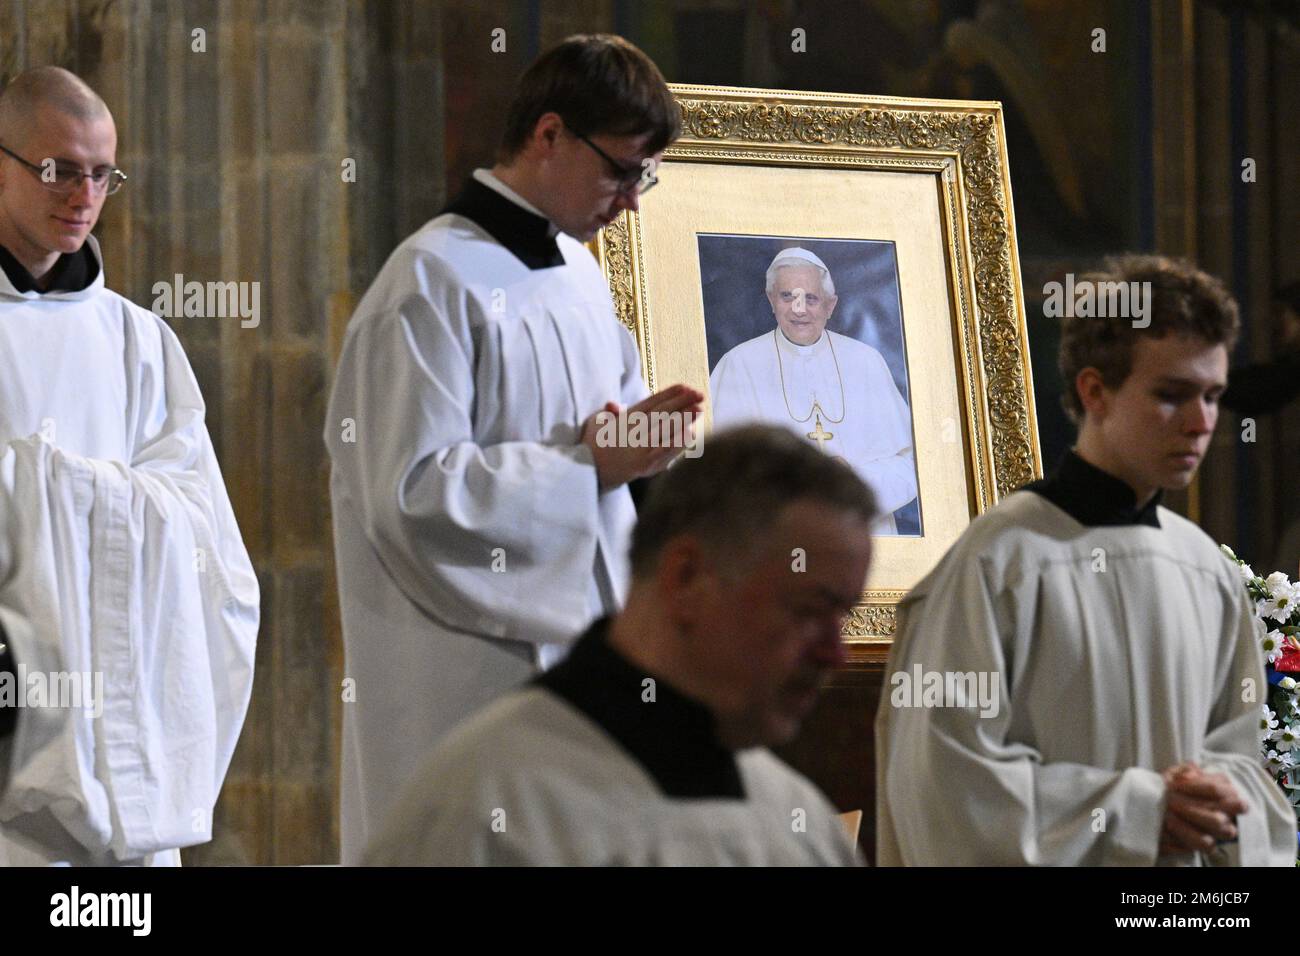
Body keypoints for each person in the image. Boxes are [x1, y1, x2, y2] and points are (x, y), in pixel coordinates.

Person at [324, 34, 703, 863]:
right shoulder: (425, 286)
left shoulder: (579, 275)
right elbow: (413, 497)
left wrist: (643, 450)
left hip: (585, 674)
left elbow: (609, 442)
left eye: (645, 175)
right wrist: (588, 470)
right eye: (622, 169)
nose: (632, 200)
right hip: (467, 679)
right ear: (549, 135)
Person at [876, 254, 1296, 866]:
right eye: (1172, 396)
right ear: (1094, 390)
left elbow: (1241, 762)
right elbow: (944, 791)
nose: (1201, 423)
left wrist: (1219, 800)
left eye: (1213, 396)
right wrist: (1140, 811)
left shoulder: (1205, 569)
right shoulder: (996, 565)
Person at [365, 426, 873, 865]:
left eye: (843, 615)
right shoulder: (486, 807)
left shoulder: (796, 818)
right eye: (809, 611)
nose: (835, 653)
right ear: (687, 578)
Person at [0, 67, 258, 865]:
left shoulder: (140, 343)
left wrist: (66, 494)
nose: (83, 194)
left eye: (101, 174)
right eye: (58, 169)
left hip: (123, 733)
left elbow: (213, 557)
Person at [708, 247, 917, 534]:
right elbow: (717, 470)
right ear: (771, 300)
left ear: (830, 305)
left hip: (862, 533)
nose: (799, 309)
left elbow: (911, 465)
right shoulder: (738, 365)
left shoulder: (865, 361)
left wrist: (851, 480)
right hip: (775, 539)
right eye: (787, 296)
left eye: (811, 298)